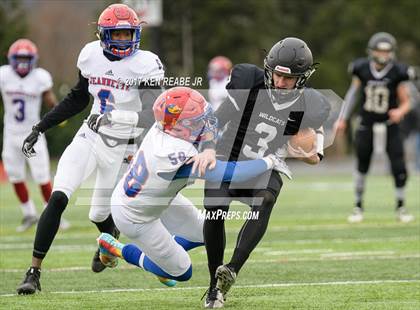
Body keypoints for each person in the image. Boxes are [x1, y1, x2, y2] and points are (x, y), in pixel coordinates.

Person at [16, 3, 166, 295]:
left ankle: (109, 241)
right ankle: (34, 271)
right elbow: (77, 98)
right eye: (117, 34)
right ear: (103, 34)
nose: (123, 40)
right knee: (58, 197)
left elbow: (153, 113)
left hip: (124, 144)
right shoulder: (90, 55)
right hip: (91, 135)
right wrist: (40, 127)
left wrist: (116, 118)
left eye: (128, 34)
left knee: (98, 214)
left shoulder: (145, 63)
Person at [96, 86, 291, 287]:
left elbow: (208, 131)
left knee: (206, 233)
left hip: (156, 197)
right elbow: (227, 173)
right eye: (196, 120)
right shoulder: (172, 153)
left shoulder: (165, 127)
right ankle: (115, 249)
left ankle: (163, 261)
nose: (203, 123)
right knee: (182, 272)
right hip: (135, 215)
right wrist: (269, 162)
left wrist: (207, 146)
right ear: (180, 126)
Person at [202, 37, 331, 308]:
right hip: (228, 158)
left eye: (289, 78)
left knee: (267, 197)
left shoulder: (309, 103)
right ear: (268, 69)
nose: (281, 83)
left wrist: (310, 151)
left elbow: (313, 154)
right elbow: (216, 119)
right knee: (216, 209)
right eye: (277, 75)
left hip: (264, 163)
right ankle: (214, 287)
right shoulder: (249, 84)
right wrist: (209, 148)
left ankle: (232, 270)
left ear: (303, 78)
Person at [335, 32, 416, 223]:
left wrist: (400, 111)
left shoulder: (398, 71)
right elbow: (353, 94)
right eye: (380, 50)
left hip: (390, 124)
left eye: (387, 51)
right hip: (366, 123)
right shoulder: (361, 68)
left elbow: (408, 100)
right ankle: (358, 206)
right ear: (372, 51)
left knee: (398, 165)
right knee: (362, 164)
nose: (383, 54)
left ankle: (401, 207)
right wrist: (342, 118)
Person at [0, 39, 70, 232]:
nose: (22, 62)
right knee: (15, 175)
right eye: (19, 58)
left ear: (34, 60)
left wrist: (59, 114)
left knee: (42, 176)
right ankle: (29, 213)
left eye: (26, 58)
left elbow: (49, 99)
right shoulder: (4, 75)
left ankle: (53, 215)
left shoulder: (40, 77)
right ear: (11, 59)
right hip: (10, 134)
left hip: (33, 134)